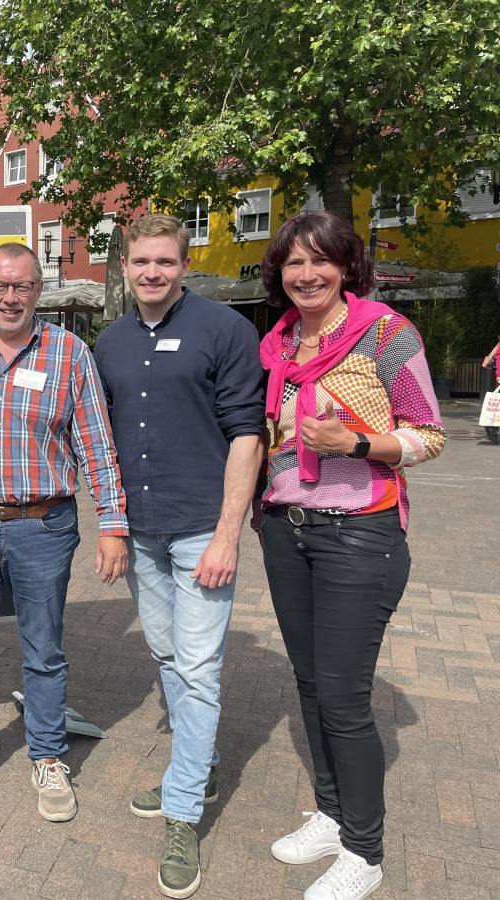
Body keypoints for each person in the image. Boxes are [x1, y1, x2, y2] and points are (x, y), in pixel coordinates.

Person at [257, 211, 444, 900]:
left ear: (346, 266)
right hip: (287, 529)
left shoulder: (386, 334)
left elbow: (428, 433)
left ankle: (365, 852)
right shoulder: (277, 342)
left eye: (320, 261)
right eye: (293, 263)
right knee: (308, 685)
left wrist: (357, 444)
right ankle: (333, 816)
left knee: (342, 698)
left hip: (359, 536)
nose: (306, 274)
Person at [0, 242, 128, 824]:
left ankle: (49, 755)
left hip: (44, 527)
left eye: (22, 286)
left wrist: (113, 523)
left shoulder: (69, 354)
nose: (10, 298)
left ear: (39, 290)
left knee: (44, 650)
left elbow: (98, 449)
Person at [93, 214, 264, 899]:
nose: (153, 272)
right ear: (127, 267)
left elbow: (247, 436)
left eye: (165, 261)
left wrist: (227, 535)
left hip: (200, 532)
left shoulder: (225, 331)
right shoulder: (108, 341)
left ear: (184, 265)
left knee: (196, 670)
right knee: (165, 655)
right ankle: (204, 760)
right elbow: (99, 441)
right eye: (141, 262)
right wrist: (109, 525)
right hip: (141, 532)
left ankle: (184, 810)